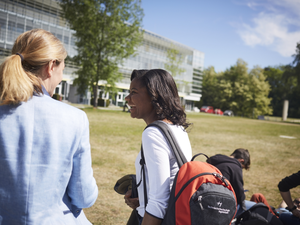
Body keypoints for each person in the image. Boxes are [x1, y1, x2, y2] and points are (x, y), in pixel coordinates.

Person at [0, 29, 98, 224]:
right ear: (51, 66)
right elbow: (84, 197)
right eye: (63, 69)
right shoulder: (75, 118)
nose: (61, 78)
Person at [123, 69, 192, 225]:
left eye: (133, 92)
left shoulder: (153, 133)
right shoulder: (178, 129)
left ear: (155, 97)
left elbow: (159, 202)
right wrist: (142, 196)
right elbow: (171, 182)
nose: (127, 98)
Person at [206, 148, 255, 215]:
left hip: (205, 199)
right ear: (241, 161)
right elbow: (239, 196)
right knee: (255, 207)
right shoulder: (235, 167)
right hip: (220, 205)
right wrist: (242, 193)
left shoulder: (214, 160)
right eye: (242, 167)